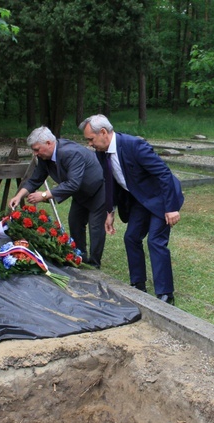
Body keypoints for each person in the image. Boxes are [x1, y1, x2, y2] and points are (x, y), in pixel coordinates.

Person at [79, 114, 184, 305]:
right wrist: (109, 211)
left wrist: (171, 208)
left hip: (161, 198)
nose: (90, 144)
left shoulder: (134, 145)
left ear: (103, 132)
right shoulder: (101, 153)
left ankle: (165, 294)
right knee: (131, 237)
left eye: (91, 139)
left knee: (155, 241)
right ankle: (138, 284)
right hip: (141, 200)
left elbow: (164, 174)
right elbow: (110, 182)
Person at [9, 126, 106, 268]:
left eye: (36, 149)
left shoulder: (70, 153)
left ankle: (94, 264)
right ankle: (79, 257)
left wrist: (43, 195)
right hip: (80, 193)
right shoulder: (45, 156)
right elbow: (35, 179)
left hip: (99, 190)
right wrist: (19, 196)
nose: (34, 154)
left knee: (95, 228)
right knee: (75, 223)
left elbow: (73, 183)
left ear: (49, 143)